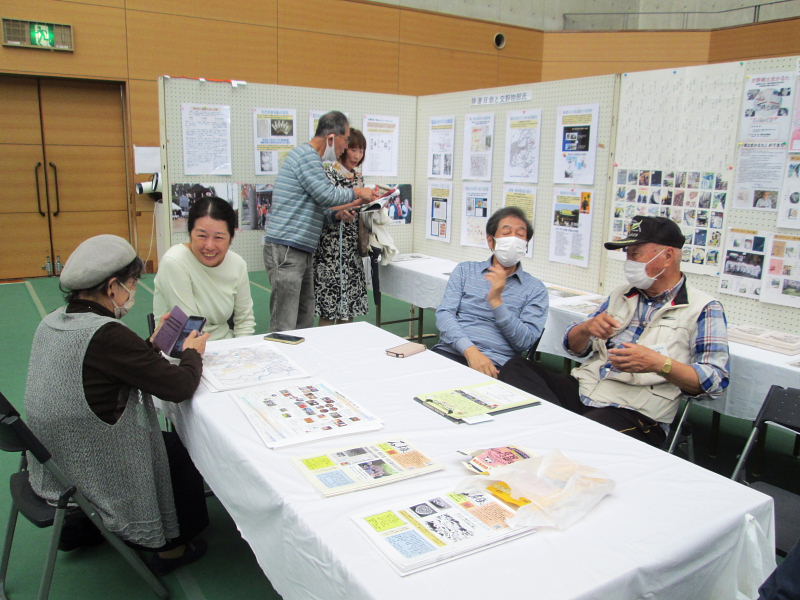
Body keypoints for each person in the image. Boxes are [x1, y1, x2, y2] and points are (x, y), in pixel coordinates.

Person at [24, 234, 210, 574]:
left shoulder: (54, 320)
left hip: (52, 459)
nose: (133, 292)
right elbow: (179, 386)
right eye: (132, 283)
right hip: (90, 460)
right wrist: (192, 354)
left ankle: (84, 525)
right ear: (112, 287)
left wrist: (150, 346)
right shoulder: (107, 333)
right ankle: (172, 548)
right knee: (175, 448)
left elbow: (107, 368)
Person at [501, 216, 729, 447]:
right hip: (585, 389)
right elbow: (576, 349)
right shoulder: (622, 294)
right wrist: (585, 329)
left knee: (591, 428)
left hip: (635, 411)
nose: (629, 262)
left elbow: (715, 381)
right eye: (627, 254)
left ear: (668, 256)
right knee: (516, 367)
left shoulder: (704, 308)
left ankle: (551, 430)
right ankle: (557, 431)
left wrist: (659, 364)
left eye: (635, 254)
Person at [263, 110, 375, 332]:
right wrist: (357, 192)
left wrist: (336, 214)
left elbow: (317, 205)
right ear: (332, 138)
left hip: (301, 248)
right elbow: (326, 195)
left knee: (304, 317)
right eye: (346, 141)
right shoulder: (307, 157)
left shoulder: (311, 159)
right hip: (287, 248)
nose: (346, 148)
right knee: (285, 322)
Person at [432, 206, 548, 377]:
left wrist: (497, 302)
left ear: (526, 245)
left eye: (520, 235)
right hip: (453, 352)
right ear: (491, 241)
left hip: (498, 365)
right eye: (506, 233)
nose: (513, 240)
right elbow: (444, 315)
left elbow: (525, 342)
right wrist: (471, 351)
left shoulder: (536, 289)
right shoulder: (465, 271)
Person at [154, 196, 255, 341]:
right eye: (202, 236)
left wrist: (241, 349)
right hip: (182, 349)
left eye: (218, 237)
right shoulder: (175, 262)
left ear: (231, 238)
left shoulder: (237, 264)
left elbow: (244, 321)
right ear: (190, 234)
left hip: (226, 346)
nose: (209, 246)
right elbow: (189, 328)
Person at [313, 128, 370, 326]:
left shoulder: (359, 178)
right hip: (330, 249)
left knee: (349, 308)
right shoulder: (328, 173)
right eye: (353, 149)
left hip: (351, 249)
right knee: (328, 308)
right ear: (344, 148)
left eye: (361, 150)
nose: (357, 155)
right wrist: (342, 210)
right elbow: (322, 206)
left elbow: (360, 207)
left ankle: (347, 344)